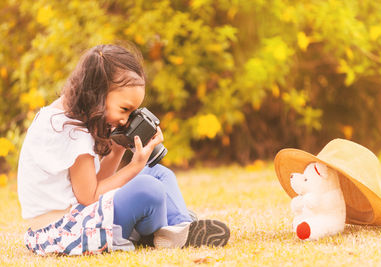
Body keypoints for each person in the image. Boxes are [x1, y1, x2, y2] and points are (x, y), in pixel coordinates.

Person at [17, 44, 230, 256]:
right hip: (64, 229)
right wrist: (134, 166)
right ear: (99, 93)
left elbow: (95, 184)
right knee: (148, 187)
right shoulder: (73, 132)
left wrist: (117, 150)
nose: (126, 120)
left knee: (159, 173)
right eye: (125, 109)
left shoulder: (62, 114)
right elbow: (89, 196)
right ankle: (163, 228)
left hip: (81, 215)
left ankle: (180, 229)